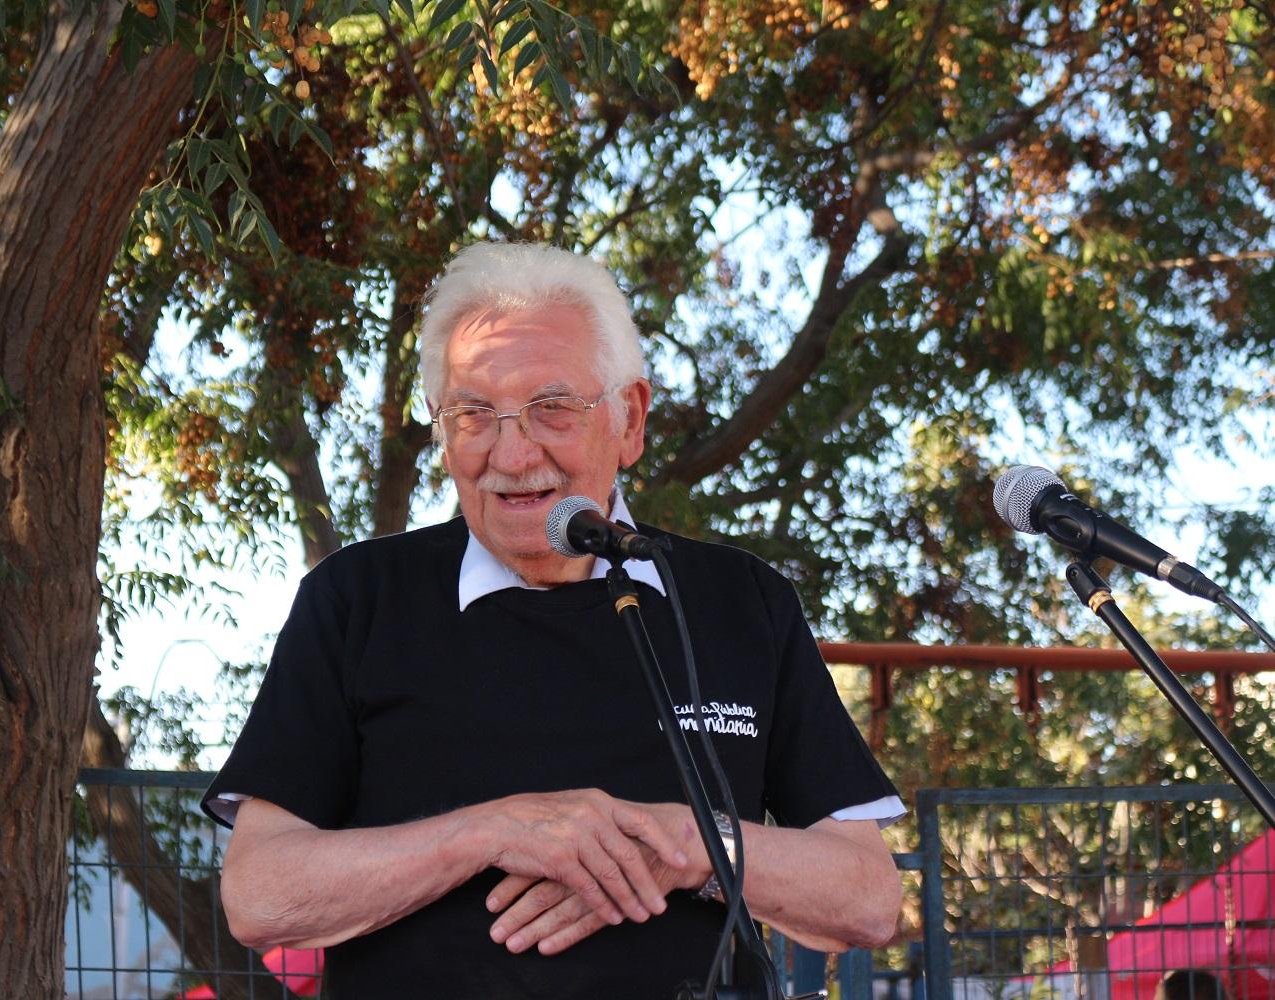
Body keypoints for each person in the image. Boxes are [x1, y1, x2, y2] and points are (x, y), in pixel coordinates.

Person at [202, 242, 905, 998]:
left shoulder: (742, 600)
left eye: (551, 408)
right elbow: (259, 893)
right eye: (473, 414)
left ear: (630, 420)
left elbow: (866, 897)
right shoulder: (357, 598)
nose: (512, 451)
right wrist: (491, 834)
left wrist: (692, 844)